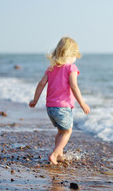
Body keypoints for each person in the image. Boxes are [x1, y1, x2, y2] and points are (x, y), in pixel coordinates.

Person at [29, 37, 90, 165]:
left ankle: (60, 154)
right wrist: (82, 103)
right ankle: (55, 154)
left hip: (50, 107)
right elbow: (74, 86)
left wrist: (35, 100)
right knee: (67, 131)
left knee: (61, 131)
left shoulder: (51, 67)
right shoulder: (71, 68)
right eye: (75, 56)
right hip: (63, 107)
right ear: (71, 54)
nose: (75, 59)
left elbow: (41, 84)